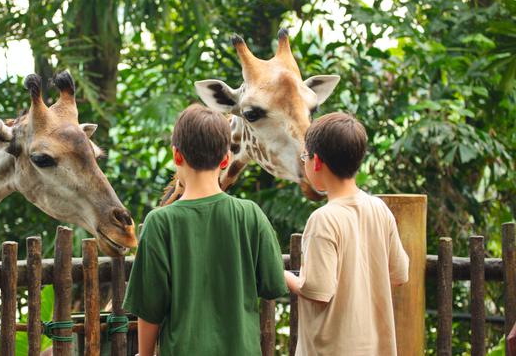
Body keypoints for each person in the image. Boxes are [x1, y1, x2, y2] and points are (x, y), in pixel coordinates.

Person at [123, 104, 288, 356]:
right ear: (225, 159)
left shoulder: (160, 222)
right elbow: (273, 284)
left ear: (176, 155)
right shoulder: (251, 214)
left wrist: (145, 354)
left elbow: (150, 307)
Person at [284, 112, 410, 356]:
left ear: (317, 161)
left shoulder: (324, 219)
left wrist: (284, 275)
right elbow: (400, 273)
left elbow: (317, 291)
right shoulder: (379, 209)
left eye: (304, 157)